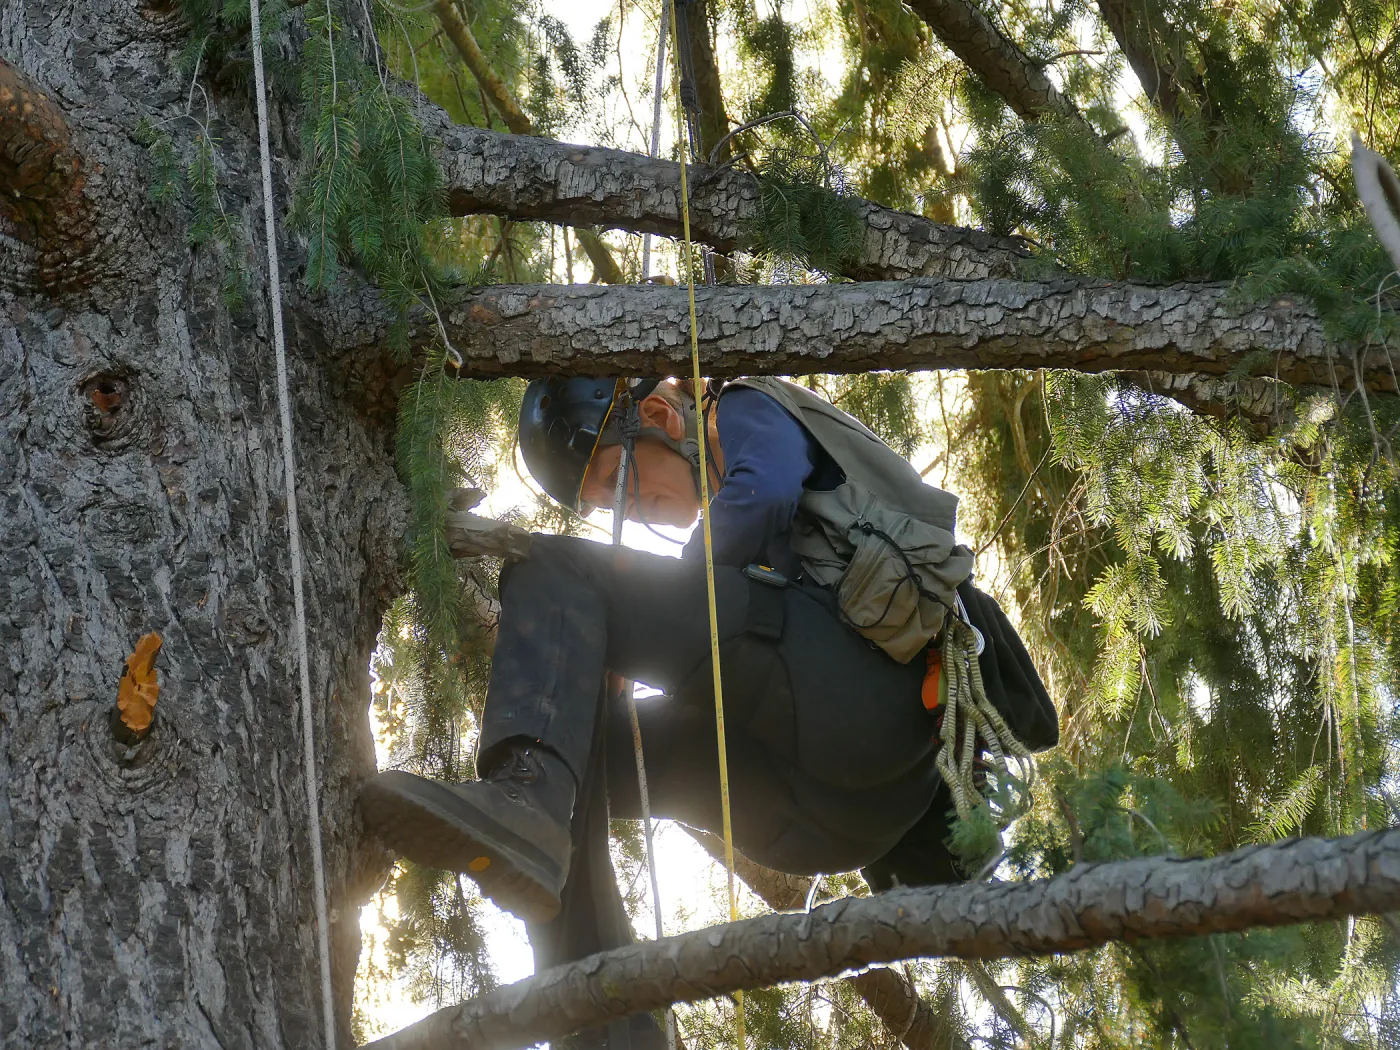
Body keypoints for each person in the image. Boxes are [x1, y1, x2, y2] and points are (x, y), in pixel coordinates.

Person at [360, 376, 1056, 1046]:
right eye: (608, 507)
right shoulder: (731, 535)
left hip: (870, 706)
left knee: (551, 568)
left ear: (658, 421)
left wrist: (625, 625)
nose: (624, 511)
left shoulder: (745, 409)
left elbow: (767, 489)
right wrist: (613, 651)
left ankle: (526, 801)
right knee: (582, 743)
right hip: (828, 816)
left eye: (613, 481)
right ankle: (606, 1018)